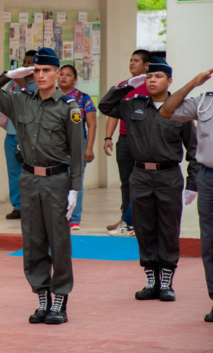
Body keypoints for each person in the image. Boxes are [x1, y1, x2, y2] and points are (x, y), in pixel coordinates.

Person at [0, 48, 84, 325]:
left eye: (46, 71)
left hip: (57, 181)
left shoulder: (70, 108)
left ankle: (59, 299)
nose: (40, 75)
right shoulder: (20, 101)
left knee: (58, 242)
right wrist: (8, 76)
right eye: (36, 71)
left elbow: (76, 151)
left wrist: (75, 189)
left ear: (57, 73)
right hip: (29, 180)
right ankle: (42, 298)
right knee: (33, 242)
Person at [99, 57, 199, 303]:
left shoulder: (180, 109)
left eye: (158, 76)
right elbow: (104, 107)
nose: (152, 80)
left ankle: (166, 280)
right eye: (149, 76)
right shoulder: (133, 104)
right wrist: (127, 86)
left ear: (169, 81)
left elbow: (193, 149)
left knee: (168, 228)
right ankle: (151, 279)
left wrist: (192, 183)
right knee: (143, 228)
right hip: (141, 175)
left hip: (168, 176)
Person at [159, 68, 213, 321]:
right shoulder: (204, 101)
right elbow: (166, 110)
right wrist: (192, 83)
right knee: (210, 243)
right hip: (209, 178)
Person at [103, 50, 151, 231]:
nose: (131, 63)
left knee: (141, 181)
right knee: (126, 182)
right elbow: (112, 113)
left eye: (136, 60)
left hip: (143, 142)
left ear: (146, 65)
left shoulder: (151, 85)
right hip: (124, 140)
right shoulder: (124, 86)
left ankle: (139, 220)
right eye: (130, 60)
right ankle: (126, 218)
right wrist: (108, 136)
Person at [0, 50, 37, 220]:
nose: (27, 65)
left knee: (32, 173)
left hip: (31, 137)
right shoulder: (12, 84)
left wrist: (22, 84)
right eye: (25, 62)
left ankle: (33, 206)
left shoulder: (40, 84)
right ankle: (18, 206)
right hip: (12, 134)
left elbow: (31, 105)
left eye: (31, 62)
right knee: (14, 172)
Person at [58, 65, 97, 230]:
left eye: (68, 75)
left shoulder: (83, 98)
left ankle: (75, 218)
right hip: (56, 146)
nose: (64, 77)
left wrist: (89, 148)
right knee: (57, 182)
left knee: (76, 181)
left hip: (77, 145)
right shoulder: (52, 96)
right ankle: (59, 217)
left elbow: (92, 124)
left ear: (75, 79)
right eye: (61, 74)